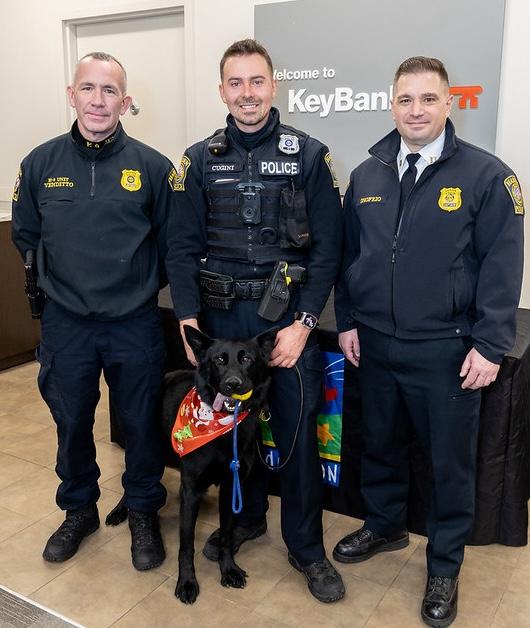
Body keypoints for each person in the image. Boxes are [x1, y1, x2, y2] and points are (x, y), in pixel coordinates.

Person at [334, 56, 524, 626]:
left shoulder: (488, 176)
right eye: (405, 99)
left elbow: (501, 265)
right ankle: (386, 525)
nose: (416, 110)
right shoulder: (367, 173)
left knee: (449, 465)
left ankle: (444, 563)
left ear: (449, 104)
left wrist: (491, 344)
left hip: (446, 349)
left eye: (428, 99)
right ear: (392, 104)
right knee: (381, 445)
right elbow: (350, 257)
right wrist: (346, 320)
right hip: (375, 342)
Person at [165, 39, 345, 603]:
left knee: (291, 433)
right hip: (218, 323)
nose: (247, 93)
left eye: (257, 82)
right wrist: (189, 320)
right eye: (235, 83)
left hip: (282, 323)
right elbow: (180, 246)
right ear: (223, 90)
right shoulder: (196, 161)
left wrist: (304, 322)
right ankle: (244, 521)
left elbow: (328, 252)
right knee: (228, 434)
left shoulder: (309, 155)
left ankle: (306, 548)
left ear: (274, 86)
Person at [11, 52, 177, 571]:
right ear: (71, 94)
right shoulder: (39, 164)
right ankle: (78, 509)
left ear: (125, 101)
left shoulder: (153, 167)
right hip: (67, 325)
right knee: (71, 422)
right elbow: (26, 236)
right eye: (89, 88)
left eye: (110, 91)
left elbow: (172, 246)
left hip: (134, 323)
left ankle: (145, 509)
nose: (98, 101)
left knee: (140, 424)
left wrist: (135, 288)